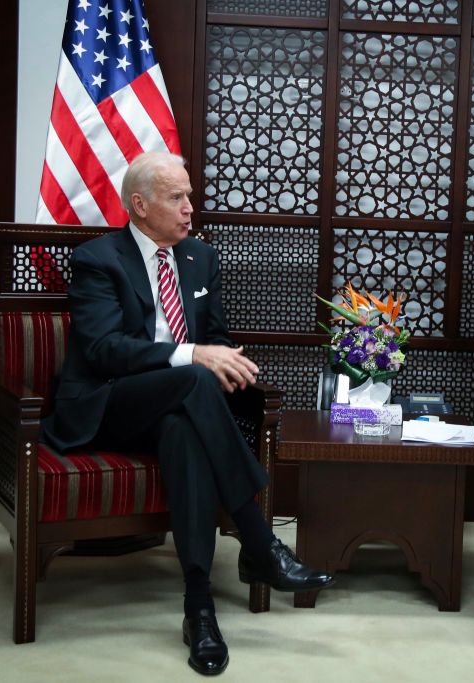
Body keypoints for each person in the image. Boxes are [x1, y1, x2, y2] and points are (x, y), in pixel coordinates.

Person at [41, 151, 334, 676]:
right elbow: (104, 349)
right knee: (195, 376)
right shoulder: (99, 260)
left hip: (176, 405)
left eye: (189, 195)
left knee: (184, 426)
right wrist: (193, 355)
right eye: (176, 197)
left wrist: (226, 359)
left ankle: (199, 607)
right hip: (110, 403)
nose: (190, 208)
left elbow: (213, 335)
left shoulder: (200, 257)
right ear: (139, 205)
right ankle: (259, 541)